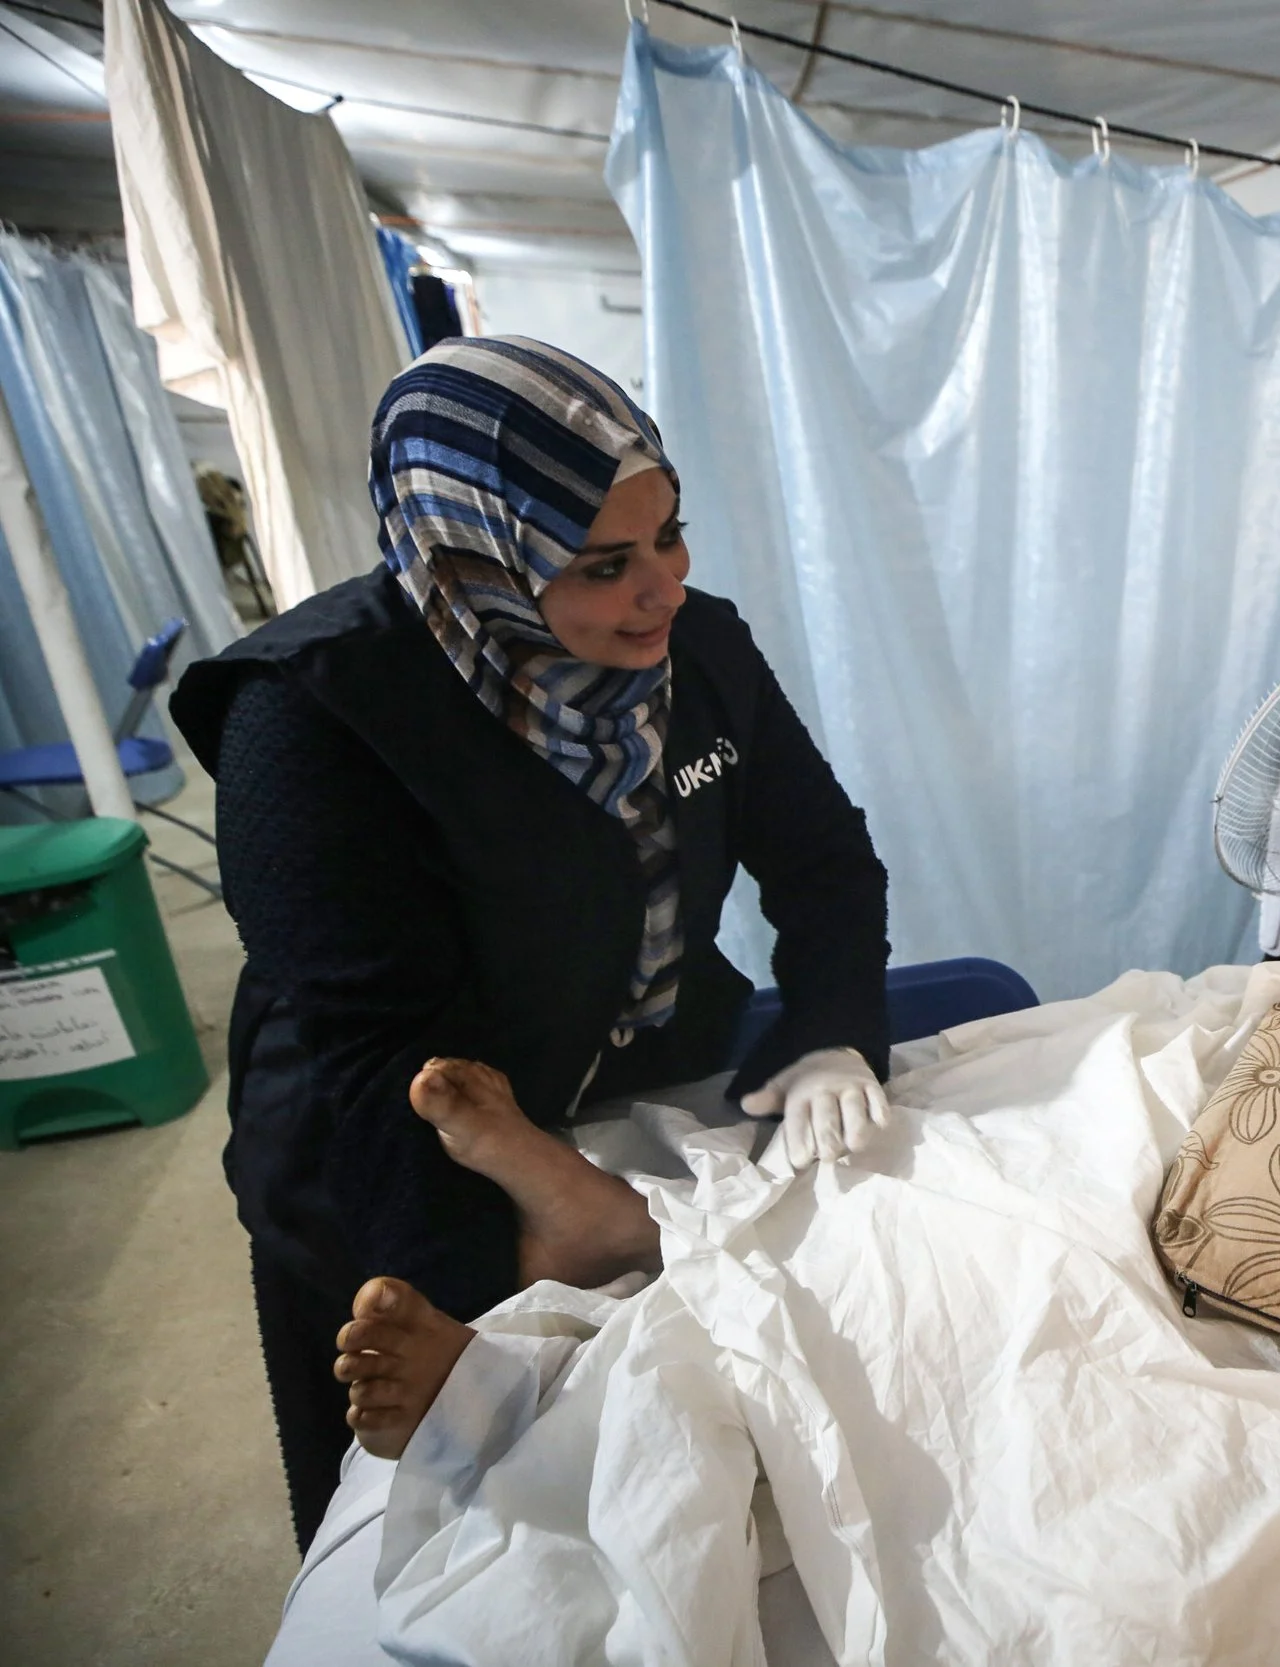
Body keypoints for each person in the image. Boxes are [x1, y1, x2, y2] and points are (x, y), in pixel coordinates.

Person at [170, 337, 892, 1549]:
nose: (661, 586)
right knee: (449, 1486)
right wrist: (479, 1292)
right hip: (384, 1140)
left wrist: (831, 1029)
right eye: (606, 563)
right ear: (476, 559)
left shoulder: (698, 652)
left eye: (669, 536)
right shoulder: (312, 717)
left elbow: (823, 862)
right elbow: (375, 1054)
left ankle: (576, 1208)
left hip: (635, 1074)